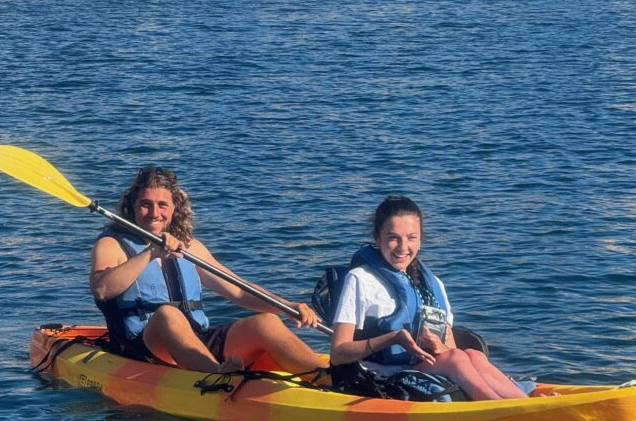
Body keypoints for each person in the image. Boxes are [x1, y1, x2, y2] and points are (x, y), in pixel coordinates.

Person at [90, 166, 327, 376]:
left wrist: (288, 307)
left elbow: (238, 290)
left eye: (162, 205)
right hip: (142, 345)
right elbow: (102, 289)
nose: (154, 213)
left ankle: (329, 377)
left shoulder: (189, 246)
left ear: (174, 209)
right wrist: (150, 253)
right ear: (132, 207)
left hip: (196, 340)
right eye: (145, 204)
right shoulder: (112, 244)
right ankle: (217, 376)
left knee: (267, 322)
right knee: (168, 314)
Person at [329, 196, 526, 401]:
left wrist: (441, 348)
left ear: (421, 239)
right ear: (378, 239)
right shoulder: (360, 279)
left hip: (422, 368)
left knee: (473, 355)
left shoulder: (433, 284)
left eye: (411, 237)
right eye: (393, 237)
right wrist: (392, 338)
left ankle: (523, 402)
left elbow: (450, 347)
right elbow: (338, 353)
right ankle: (496, 407)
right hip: (378, 376)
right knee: (456, 359)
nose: (402, 247)